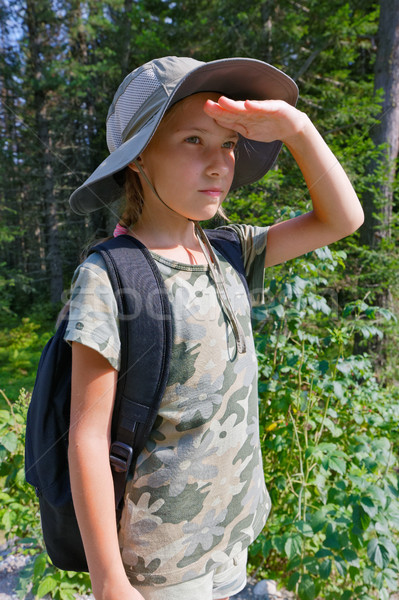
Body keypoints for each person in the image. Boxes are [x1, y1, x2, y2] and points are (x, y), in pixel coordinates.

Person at [65, 56, 364, 600]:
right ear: (138, 158)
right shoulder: (110, 276)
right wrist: (109, 581)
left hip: (233, 540)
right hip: (162, 569)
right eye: (193, 141)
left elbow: (342, 219)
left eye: (228, 144)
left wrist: (298, 128)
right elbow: (87, 436)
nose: (219, 163)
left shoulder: (229, 250)